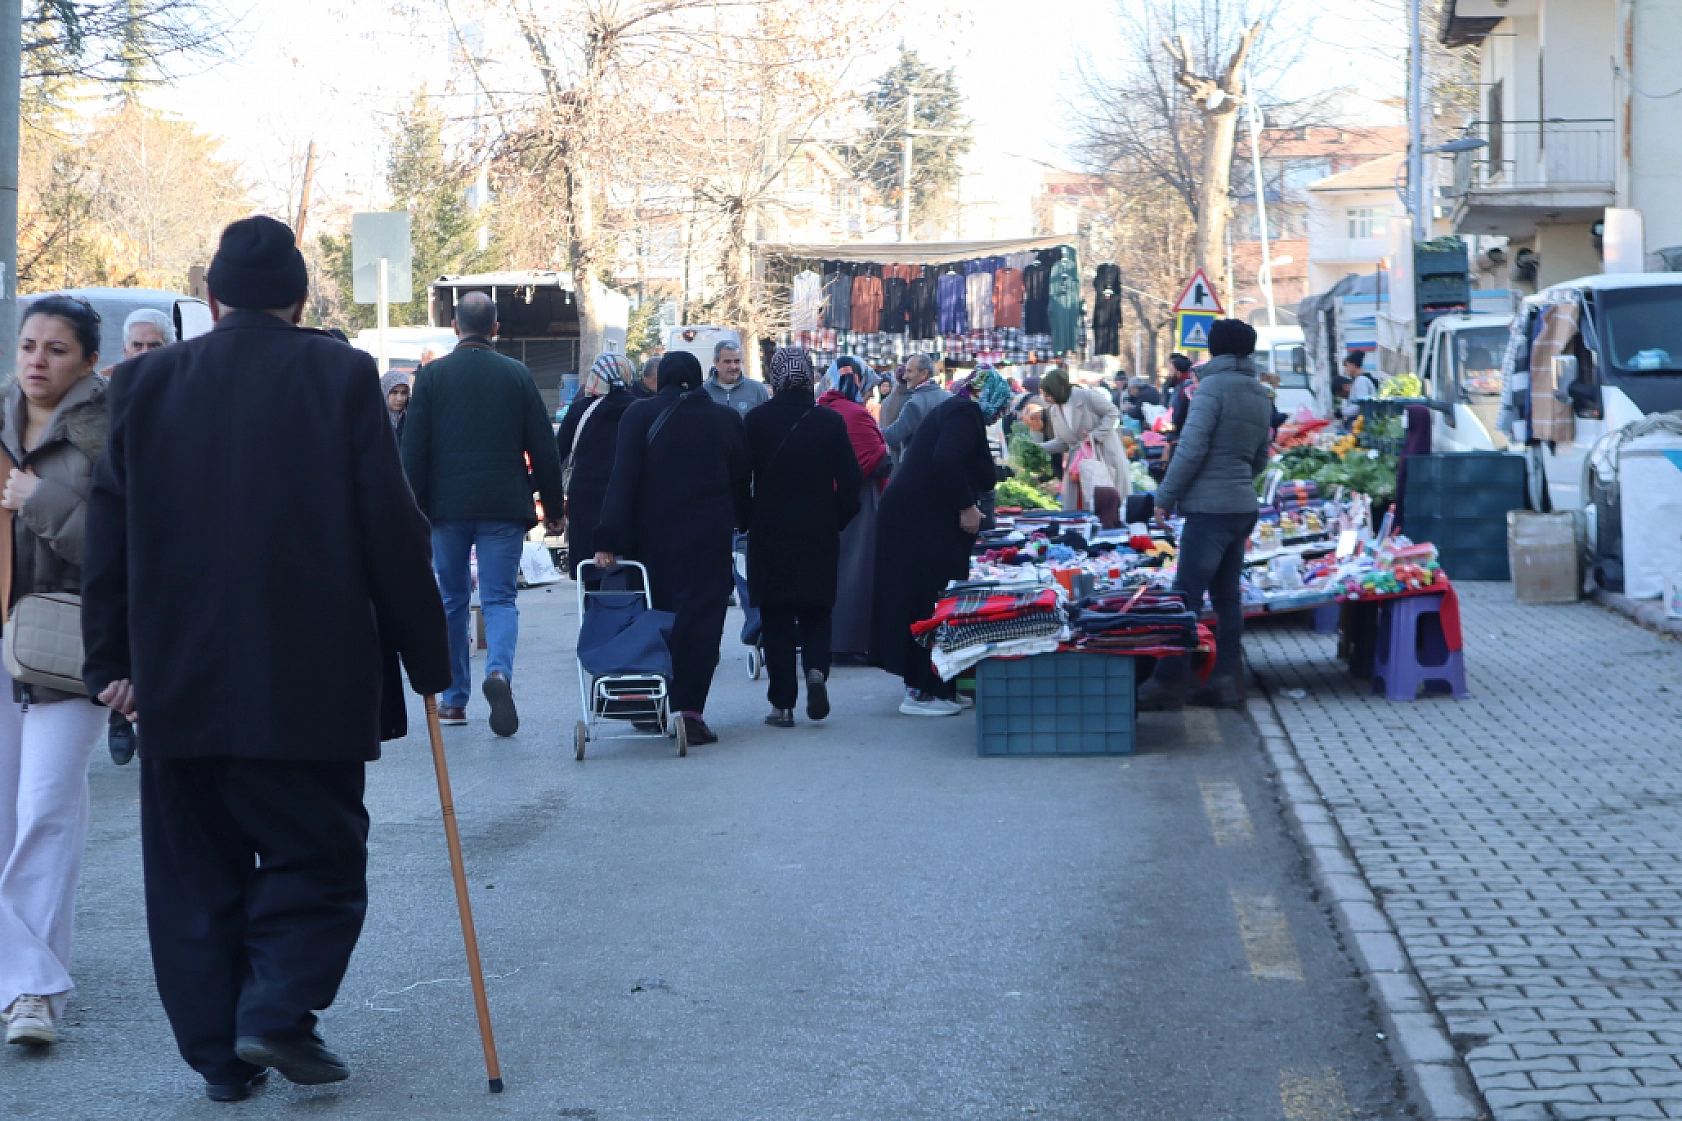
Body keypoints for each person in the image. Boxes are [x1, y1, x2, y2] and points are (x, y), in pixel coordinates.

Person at [81, 215, 451, 1100]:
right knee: (318, 852)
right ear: (299, 300)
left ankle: (220, 1055)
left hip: (176, 677)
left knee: (192, 872)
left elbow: (109, 535)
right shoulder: (340, 375)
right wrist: (428, 657)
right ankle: (275, 1009)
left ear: (209, 301)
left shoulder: (143, 382)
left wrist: (111, 663)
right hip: (308, 679)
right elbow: (389, 527)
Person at [0, 297, 110, 1048]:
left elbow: (127, 542)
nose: (37, 360)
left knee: (45, 807)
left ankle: (34, 992)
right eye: (29, 345)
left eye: (57, 349)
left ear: (88, 361)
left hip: (69, 641)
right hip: (0, 632)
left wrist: (40, 501)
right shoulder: (0, 420)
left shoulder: (108, 432)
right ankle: (23, 973)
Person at [401, 291, 565, 736]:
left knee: (452, 601)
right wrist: (553, 509)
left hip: (446, 509)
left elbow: (412, 452)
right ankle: (499, 673)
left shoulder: (432, 378)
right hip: (503, 506)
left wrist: (408, 512)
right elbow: (543, 450)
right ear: (496, 328)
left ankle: (454, 700)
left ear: (455, 327)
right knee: (499, 600)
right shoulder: (517, 375)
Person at [592, 351, 750, 746]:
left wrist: (607, 539)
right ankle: (691, 714)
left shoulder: (639, 416)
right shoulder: (726, 419)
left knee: (656, 617)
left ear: (659, 379)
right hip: (708, 539)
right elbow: (740, 479)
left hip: (653, 540)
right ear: (700, 378)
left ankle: (652, 701)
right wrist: (744, 522)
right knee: (703, 621)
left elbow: (622, 480)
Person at [1140, 318, 1273, 712]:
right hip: (1241, 506)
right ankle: (1226, 682)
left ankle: (1168, 682)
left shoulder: (1212, 388)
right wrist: (1235, 482)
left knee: (1186, 596)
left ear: (1213, 350)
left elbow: (1191, 449)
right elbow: (1262, 455)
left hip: (1209, 510)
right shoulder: (1258, 392)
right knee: (1228, 598)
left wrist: (1165, 497)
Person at [871, 365, 1011, 717]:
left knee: (932, 595)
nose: (1003, 412)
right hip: (918, 521)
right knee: (926, 598)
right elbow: (947, 459)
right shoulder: (964, 413)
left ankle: (939, 684)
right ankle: (921, 690)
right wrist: (967, 507)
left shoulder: (956, 411)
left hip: (918, 518)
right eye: (1002, 404)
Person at [744, 348, 862, 727]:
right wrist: (837, 517)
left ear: (775, 377)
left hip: (769, 531)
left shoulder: (756, 420)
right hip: (818, 529)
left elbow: (739, 478)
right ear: (810, 376)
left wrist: (746, 518)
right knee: (816, 609)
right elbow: (851, 481)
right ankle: (815, 671)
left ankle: (782, 704)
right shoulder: (828, 422)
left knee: (776, 615)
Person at [820, 357, 890, 664]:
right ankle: (849, 643)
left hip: (826, 502)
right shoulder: (855, 414)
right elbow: (876, 455)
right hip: (859, 503)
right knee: (856, 572)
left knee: (834, 571)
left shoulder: (823, 407)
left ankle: (833, 640)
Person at [555, 353, 635, 577]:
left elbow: (558, 455)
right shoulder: (640, 409)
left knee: (589, 569)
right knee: (630, 570)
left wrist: (553, 506)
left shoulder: (580, 410)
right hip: (628, 498)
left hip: (585, 497)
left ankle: (593, 608)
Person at [1024, 366, 1131, 515]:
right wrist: (1038, 448)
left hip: (1103, 456)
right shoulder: (1054, 410)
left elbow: (1113, 412)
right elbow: (1062, 441)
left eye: (1048, 395)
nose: (1046, 399)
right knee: (1080, 509)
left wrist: (1096, 434)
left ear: (1059, 389)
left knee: (1107, 507)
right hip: (1077, 466)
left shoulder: (1088, 396)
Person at [878, 353, 950, 464]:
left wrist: (871, 428)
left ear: (924, 373)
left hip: (920, 468)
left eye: (909, 371)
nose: (904, 376)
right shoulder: (950, 398)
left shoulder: (914, 404)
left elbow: (892, 437)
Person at [702, 340, 769, 417]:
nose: (733, 367)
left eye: (737, 361)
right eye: (727, 362)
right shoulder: (704, 391)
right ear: (716, 363)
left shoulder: (758, 390)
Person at [1341, 350, 1377, 422]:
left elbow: (1360, 406)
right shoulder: (1358, 380)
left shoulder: (1361, 381)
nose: (1346, 369)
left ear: (1353, 365)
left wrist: (1342, 412)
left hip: (1364, 423)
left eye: (1347, 365)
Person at [380, 369, 411, 440]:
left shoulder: (410, 418)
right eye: (394, 392)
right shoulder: (376, 418)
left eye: (403, 393)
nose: (399, 398)